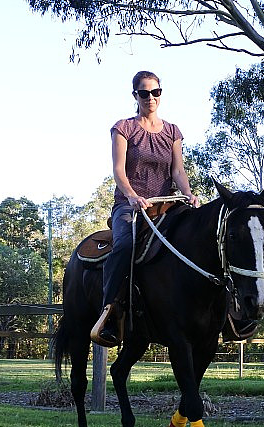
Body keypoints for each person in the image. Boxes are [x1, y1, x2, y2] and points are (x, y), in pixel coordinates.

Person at [92, 70, 200, 347]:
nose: (150, 97)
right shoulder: (124, 128)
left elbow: (178, 171)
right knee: (125, 246)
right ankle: (109, 312)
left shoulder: (172, 132)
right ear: (135, 95)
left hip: (166, 206)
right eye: (144, 93)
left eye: (155, 92)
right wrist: (131, 196)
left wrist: (188, 194)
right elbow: (118, 171)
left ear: (161, 94)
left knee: (197, 237)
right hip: (130, 206)